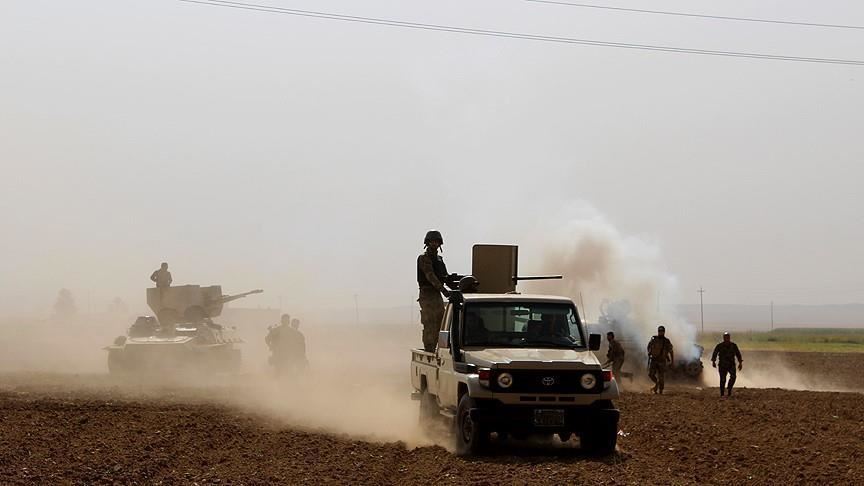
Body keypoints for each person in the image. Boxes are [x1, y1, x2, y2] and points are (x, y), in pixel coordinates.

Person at [417, 230, 454, 352]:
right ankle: (430, 349)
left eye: (437, 242)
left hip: (436, 294)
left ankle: (440, 349)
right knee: (430, 322)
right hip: (427, 294)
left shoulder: (439, 260)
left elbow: (445, 277)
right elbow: (430, 276)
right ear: (427, 243)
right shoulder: (424, 258)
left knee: (441, 322)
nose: (434, 244)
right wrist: (444, 290)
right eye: (432, 241)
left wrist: (458, 286)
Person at [711, 332, 743, 397]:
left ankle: (729, 389)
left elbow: (738, 354)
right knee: (723, 379)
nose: (727, 338)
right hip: (722, 365)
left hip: (731, 365)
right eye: (725, 337)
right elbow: (715, 353)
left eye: (728, 337)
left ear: (729, 338)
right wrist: (713, 362)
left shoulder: (733, 345)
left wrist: (740, 363)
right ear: (723, 338)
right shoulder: (719, 346)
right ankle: (722, 393)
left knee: (733, 377)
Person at [647, 325, 674, 394]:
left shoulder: (666, 341)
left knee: (661, 377)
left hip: (662, 361)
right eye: (659, 331)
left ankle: (660, 390)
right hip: (654, 360)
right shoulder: (654, 339)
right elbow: (649, 346)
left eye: (662, 331)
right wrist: (649, 352)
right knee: (651, 374)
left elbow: (671, 351)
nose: (660, 332)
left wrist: (672, 361)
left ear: (664, 332)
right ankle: (656, 384)